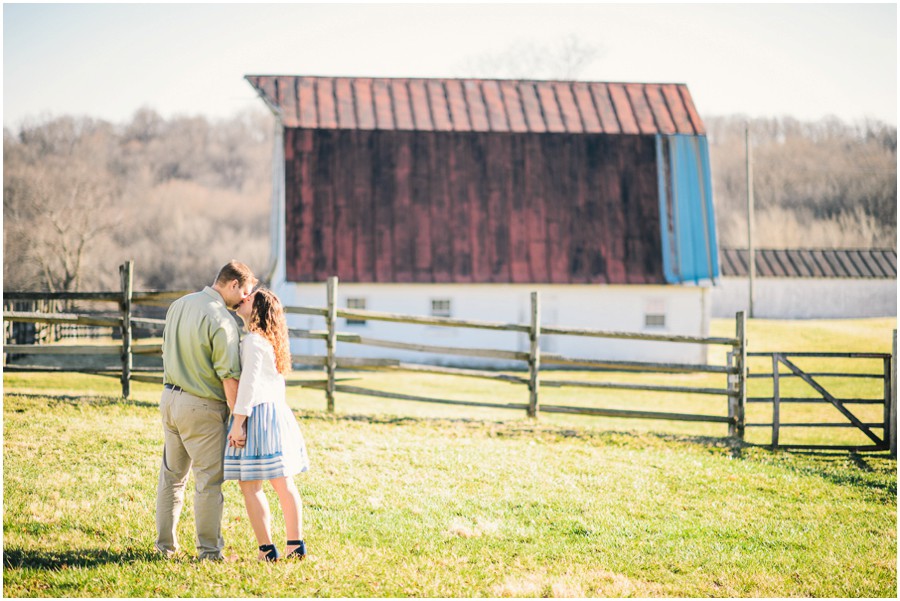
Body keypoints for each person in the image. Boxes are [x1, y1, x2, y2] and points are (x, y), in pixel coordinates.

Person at [155, 260, 257, 561]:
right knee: (208, 482)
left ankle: (165, 548)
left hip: (170, 399)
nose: (243, 300)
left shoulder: (179, 305)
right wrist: (238, 421)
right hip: (201, 407)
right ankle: (210, 553)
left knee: (171, 479)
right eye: (245, 292)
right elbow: (229, 377)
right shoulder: (222, 321)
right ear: (233, 284)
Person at [225, 287, 309, 562]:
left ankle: (266, 549)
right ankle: (295, 545)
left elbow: (248, 386)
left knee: (250, 484)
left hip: (257, 415)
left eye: (249, 298)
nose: (243, 298)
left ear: (257, 309)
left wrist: (238, 423)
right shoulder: (269, 342)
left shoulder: (252, 341)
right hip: (276, 414)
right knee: (283, 483)